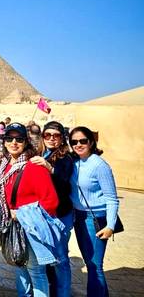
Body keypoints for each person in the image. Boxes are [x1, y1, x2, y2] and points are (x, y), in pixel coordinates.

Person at [0, 123, 59, 297]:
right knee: (19, 268)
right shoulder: (6, 166)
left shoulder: (34, 166)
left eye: (19, 139)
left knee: (36, 272)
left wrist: (22, 214)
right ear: (4, 141)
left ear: (26, 142)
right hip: (13, 226)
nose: (14, 142)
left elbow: (51, 201)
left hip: (31, 227)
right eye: (9, 138)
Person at [69, 126, 120, 297]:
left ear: (91, 142)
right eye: (74, 141)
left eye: (83, 140)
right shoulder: (74, 162)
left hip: (95, 219)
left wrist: (110, 226)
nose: (78, 144)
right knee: (90, 263)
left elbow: (112, 198)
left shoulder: (100, 165)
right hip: (79, 218)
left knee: (94, 265)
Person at [30, 121, 74, 297]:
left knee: (61, 259)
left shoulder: (66, 158)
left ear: (62, 138)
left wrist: (48, 167)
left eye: (56, 136)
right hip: (43, 214)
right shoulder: (40, 153)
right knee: (47, 257)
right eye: (47, 135)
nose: (51, 139)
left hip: (60, 214)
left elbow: (65, 183)